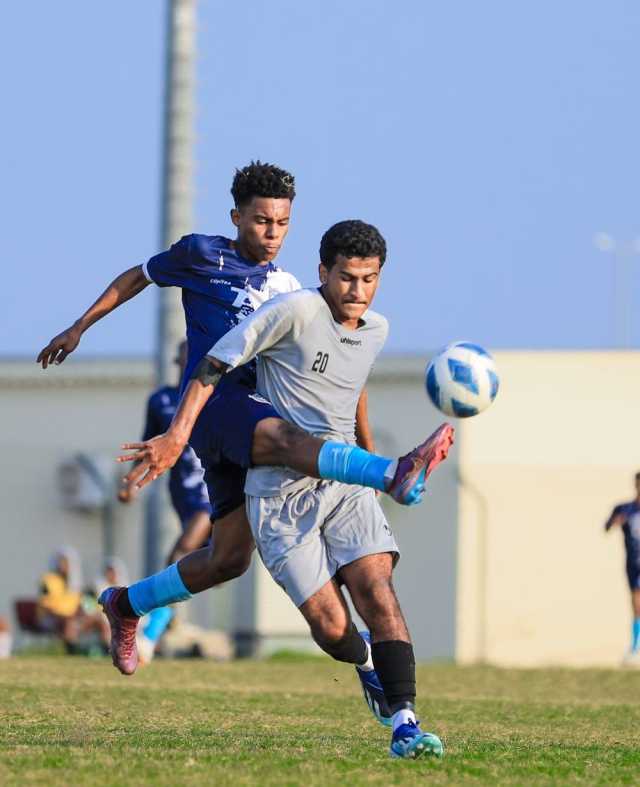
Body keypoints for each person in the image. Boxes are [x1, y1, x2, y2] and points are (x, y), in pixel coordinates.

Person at [37, 161, 448, 684]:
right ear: (237, 217)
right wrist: (79, 327)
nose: (272, 233)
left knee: (228, 557)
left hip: (253, 413)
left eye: (281, 223)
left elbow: (347, 377)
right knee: (283, 438)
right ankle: (393, 472)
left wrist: (362, 452)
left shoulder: (294, 289)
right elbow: (136, 277)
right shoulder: (201, 255)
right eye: (261, 221)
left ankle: (126, 603)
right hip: (216, 407)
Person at [112, 220, 453, 759]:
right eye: (346, 278)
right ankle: (365, 662)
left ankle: (406, 725)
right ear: (323, 272)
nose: (357, 291)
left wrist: (368, 456)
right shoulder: (292, 311)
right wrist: (178, 435)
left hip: (345, 487)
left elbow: (352, 385)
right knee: (332, 628)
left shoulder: (377, 329)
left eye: (369, 280)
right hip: (280, 497)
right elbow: (212, 362)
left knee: (377, 591)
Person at [119, 340, 212, 662]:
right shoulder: (161, 400)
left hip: (216, 489)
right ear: (177, 360)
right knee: (194, 562)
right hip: (184, 493)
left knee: (182, 554)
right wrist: (132, 482)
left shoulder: (217, 394)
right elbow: (149, 444)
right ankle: (154, 622)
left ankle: (148, 630)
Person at [38, 547, 110, 654]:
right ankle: (71, 652)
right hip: (52, 618)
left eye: (66, 563)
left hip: (74, 617)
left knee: (99, 619)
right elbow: (46, 606)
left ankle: (107, 651)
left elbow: (83, 604)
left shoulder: (75, 583)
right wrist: (65, 615)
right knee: (70, 624)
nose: (64, 566)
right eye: (61, 562)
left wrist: (87, 612)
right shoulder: (48, 580)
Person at [605, 472, 640, 665]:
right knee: (636, 603)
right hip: (634, 564)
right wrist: (616, 521)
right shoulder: (626, 509)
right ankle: (636, 646)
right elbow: (607, 525)